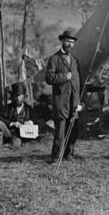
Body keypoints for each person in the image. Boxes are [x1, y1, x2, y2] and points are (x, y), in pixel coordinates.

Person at [45, 29, 82, 162]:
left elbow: (77, 82)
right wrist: (64, 77)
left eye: (72, 42)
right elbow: (49, 78)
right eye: (67, 41)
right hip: (61, 102)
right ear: (62, 41)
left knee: (73, 131)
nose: (69, 44)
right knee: (60, 132)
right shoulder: (54, 59)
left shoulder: (75, 60)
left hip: (73, 102)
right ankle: (56, 157)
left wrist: (78, 101)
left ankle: (69, 154)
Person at [0, 81, 33, 146]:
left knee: (16, 143)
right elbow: (0, 117)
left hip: (19, 134)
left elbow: (35, 119)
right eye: (16, 96)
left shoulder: (28, 108)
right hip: (8, 131)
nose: (18, 98)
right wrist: (12, 123)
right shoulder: (9, 107)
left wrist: (30, 122)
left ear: (23, 96)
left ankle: (7, 145)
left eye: (19, 95)